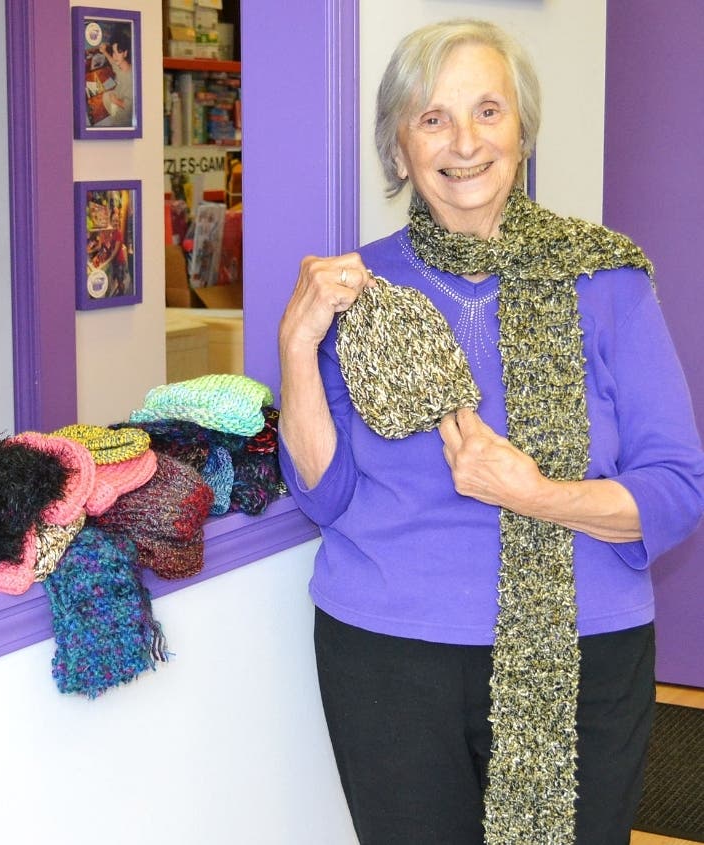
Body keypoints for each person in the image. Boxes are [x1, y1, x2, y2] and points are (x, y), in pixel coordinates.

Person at [277, 18, 704, 845]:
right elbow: (322, 497)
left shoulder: (607, 280)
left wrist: (535, 494)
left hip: (583, 652)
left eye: (487, 111)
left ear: (521, 132)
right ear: (398, 151)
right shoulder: (356, 295)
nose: (462, 142)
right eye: (431, 118)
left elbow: (678, 490)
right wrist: (297, 345)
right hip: (386, 655)